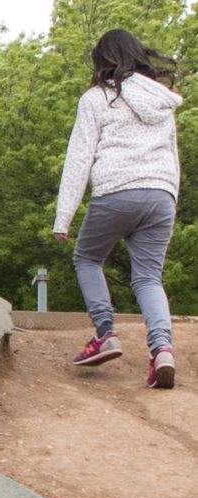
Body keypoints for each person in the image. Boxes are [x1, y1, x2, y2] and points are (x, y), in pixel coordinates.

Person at [54, 27, 183, 389]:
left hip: (116, 191)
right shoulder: (163, 99)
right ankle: (162, 350)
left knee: (87, 258)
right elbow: (173, 155)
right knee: (148, 277)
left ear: (104, 60)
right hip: (161, 194)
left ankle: (106, 333)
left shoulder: (97, 98)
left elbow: (78, 159)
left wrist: (63, 217)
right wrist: (168, 195)